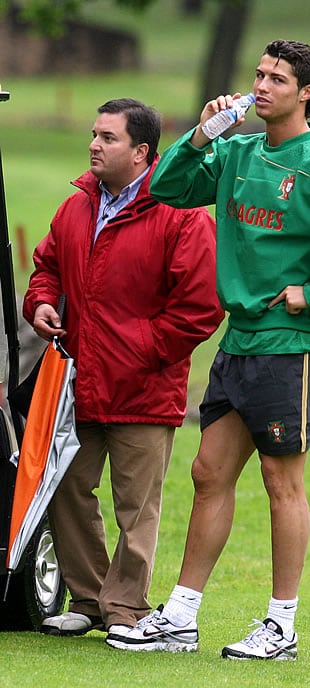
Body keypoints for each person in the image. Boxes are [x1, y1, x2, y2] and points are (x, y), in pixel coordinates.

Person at [106, 40, 310, 660]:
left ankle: (281, 627)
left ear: (307, 92)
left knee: (279, 479)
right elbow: (167, 188)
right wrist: (200, 135)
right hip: (238, 341)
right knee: (209, 474)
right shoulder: (236, 152)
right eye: (259, 75)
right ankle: (181, 617)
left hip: (290, 346)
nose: (262, 86)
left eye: (277, 78)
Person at [22, 98, 223, 640]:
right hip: (79, 385)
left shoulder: (182, 214)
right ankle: (88, 601)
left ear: (141, 153)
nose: (93, 144)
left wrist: (139, 350)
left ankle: (125, 611)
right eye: (93, 134)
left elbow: (201, 308)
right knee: (66, 489)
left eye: (107, 138)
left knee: (137, 508)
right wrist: (41, 302)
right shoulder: (75, 208)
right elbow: (47, 267)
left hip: (144, 388)